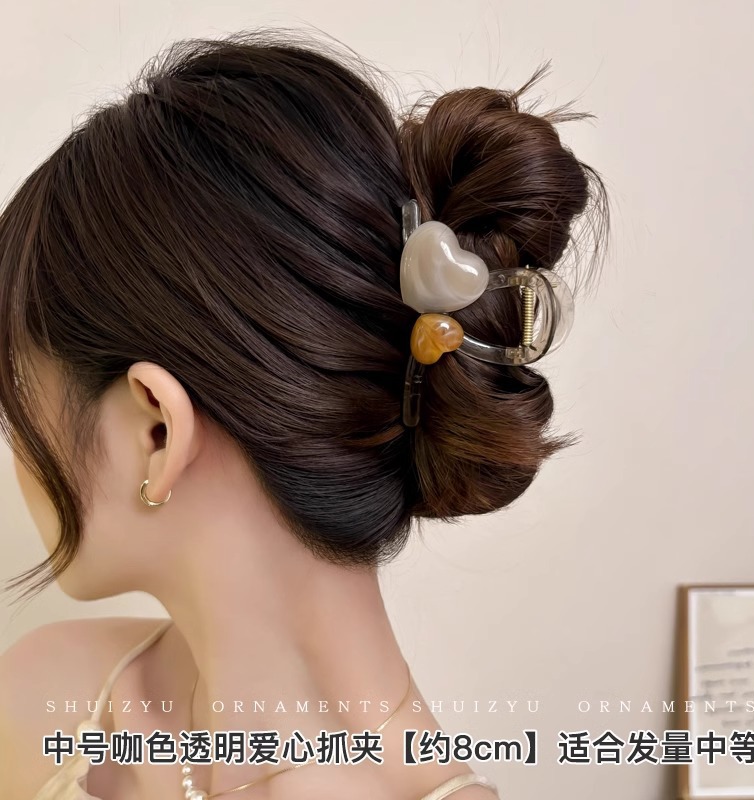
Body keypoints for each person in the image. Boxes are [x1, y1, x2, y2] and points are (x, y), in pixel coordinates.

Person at [0, 28, 608, 800]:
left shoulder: (42, 705)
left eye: (16, 408)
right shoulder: (39, 697)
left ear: (157, 430)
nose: (16, 455)